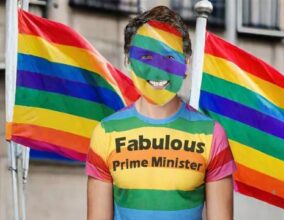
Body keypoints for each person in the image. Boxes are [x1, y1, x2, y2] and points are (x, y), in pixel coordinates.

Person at [86, 6, 236, 220]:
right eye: (147, 56)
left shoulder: (212, 135)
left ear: (185, 64)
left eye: (169, 56)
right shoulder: (105, 133)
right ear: (129, 61)